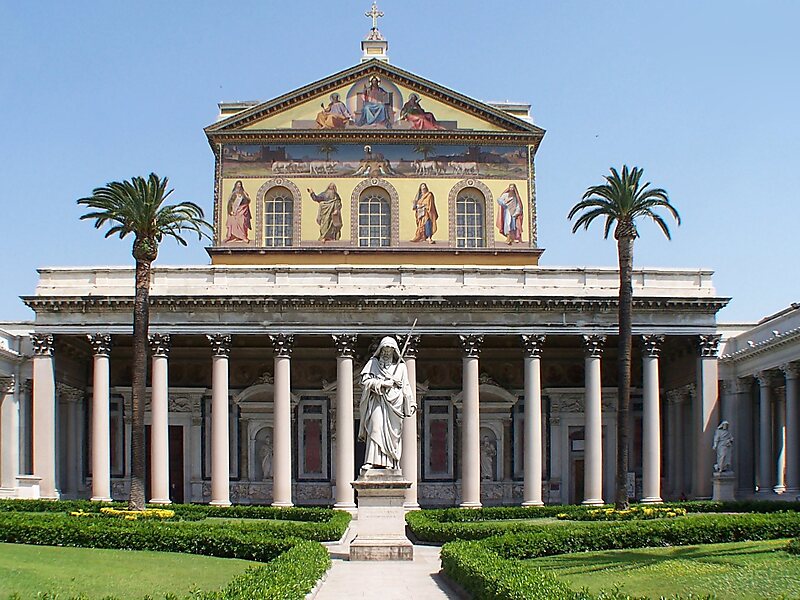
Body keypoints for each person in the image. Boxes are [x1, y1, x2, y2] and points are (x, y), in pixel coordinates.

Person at [358, 336, 414, 471]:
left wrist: (411, 403)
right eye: (384, 351)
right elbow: (364, 381)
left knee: (393, 435)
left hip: (394, 405)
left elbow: (406, 387)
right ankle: (371, 461)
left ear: (394, 352)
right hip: (377, 401)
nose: (387, 354)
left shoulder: (400, 367)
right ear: (380, 351)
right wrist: (383, 383)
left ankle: (389, 461)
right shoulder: (373, 364)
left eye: (389, 351)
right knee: (375, 428)